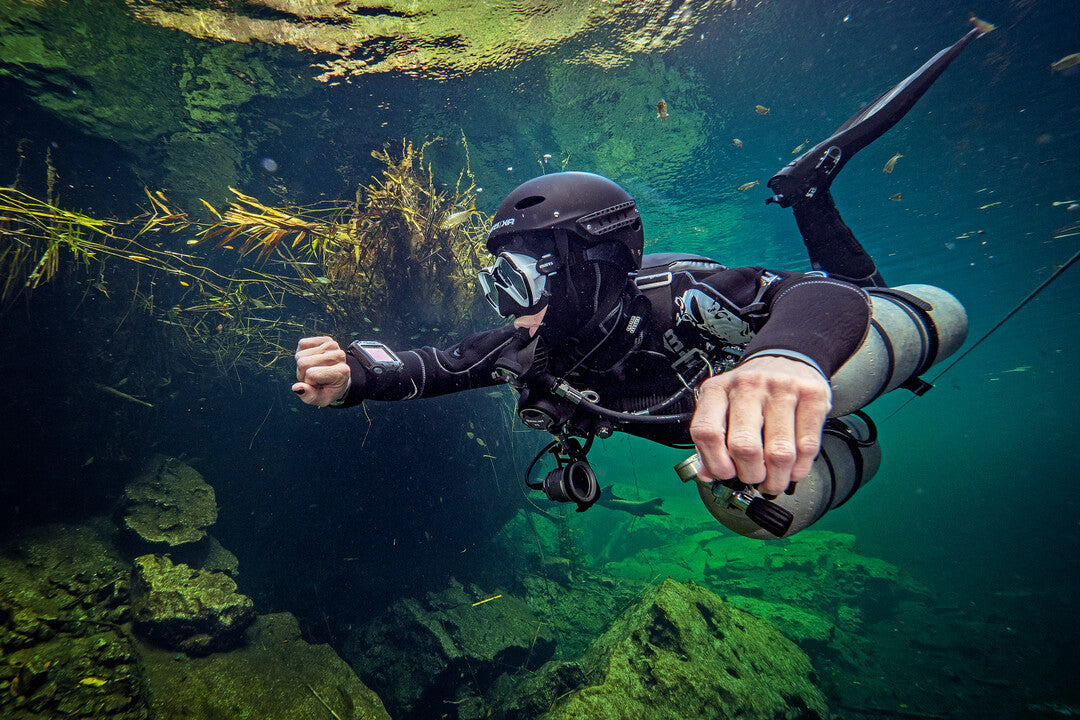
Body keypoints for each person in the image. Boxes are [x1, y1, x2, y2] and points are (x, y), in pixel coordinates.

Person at [293, 27, 983, 515]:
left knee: (871, 297)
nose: (506, 307)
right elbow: (429, 366)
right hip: (728, 416)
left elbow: (820, 296)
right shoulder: (530, 350)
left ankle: (809, 192)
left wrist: (786, 357)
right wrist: (353, 372)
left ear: (588, 269)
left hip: (843, 332)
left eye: (519, 279)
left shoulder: (681, 298)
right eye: (494, 282)